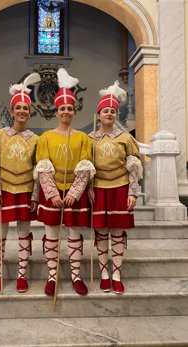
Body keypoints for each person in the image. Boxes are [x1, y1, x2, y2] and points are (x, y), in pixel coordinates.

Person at [34, 68, 95, 296]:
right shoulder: (46, 138)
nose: (66, 112)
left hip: (73, 194)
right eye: (62, 109)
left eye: (70, 108)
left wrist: (74, 193)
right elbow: (42, 167)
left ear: (74, 111)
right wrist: (52, 194)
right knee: (51, 235)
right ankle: (52, 276)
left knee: (74, 234)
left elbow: (86, 168)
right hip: (54, 193)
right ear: (57, 111)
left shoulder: (82, 137)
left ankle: (76, 276)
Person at [0, 72, 41, 293]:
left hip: (25, 190)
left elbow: (39, 170)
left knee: (24, 233)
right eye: (18, 108)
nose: (22, 112)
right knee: (0, 234)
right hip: (3, 191)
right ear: (13, 110)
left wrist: (35, 196)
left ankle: (22, 275)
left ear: (30, 112)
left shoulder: (36, 140)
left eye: (26, 108)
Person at [88, 81, 142, 294]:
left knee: (117, 233)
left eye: (112, 111)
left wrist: (132, 193)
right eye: (105, 111)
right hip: (99, 189)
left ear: (116, 114)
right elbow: (87, 167)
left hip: (120, 188)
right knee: (101, 232)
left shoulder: (126, 138)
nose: (109, 114)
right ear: (99, 114)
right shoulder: (90, 138)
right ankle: (103, 274)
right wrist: (89, 187)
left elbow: (134, 168)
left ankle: (117, 274)